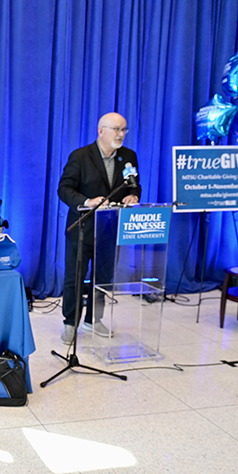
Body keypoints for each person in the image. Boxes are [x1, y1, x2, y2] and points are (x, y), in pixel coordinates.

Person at [57, 112, 141, 345]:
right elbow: (64, 189)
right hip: (82, 229)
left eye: (124, 130)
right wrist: (87, 202)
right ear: (101, 130)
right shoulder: (81, 156)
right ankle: (70, 323)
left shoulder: (129, 156)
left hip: (110, 229)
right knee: (75, 277)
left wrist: (133, 196)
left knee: (103, 278)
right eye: (116, 129)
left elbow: (134, 185)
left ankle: (94, 319)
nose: (121, 134)